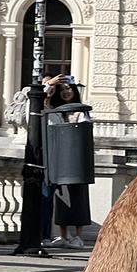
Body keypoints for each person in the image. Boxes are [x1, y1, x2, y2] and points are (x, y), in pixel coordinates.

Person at [45, 75, 92, 249]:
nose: (66, 92)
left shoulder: (81, 111)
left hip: (77, 161)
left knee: (79, 199)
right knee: (61, 198)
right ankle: (63, 236)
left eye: (69, 89)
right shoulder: (56, 110)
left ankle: (78, 236)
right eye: (63, 90)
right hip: (61, 161)